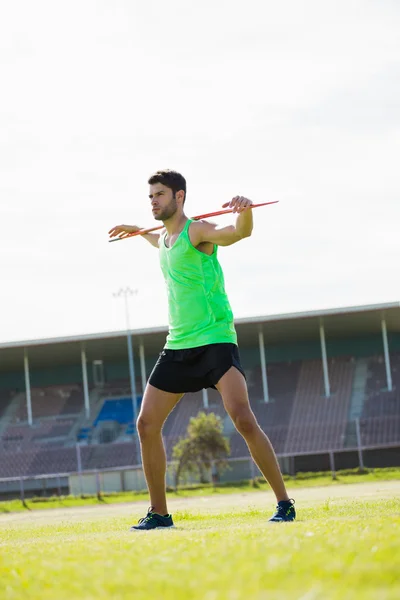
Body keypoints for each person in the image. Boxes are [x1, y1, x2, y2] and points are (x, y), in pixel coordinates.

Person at [108, 169, 295, 530]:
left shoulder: (198, 230)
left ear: (179, 197)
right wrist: (136, 229)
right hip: (178, 345)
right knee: (146, 424)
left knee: (242, 417)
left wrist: (245, 209)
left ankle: (284, 503)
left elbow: (239, 233)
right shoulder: (163, 237)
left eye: (159, 195)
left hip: (214, 341)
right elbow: (160, 242)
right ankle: (159, 514)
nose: (153, 201)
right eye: (150, 196)